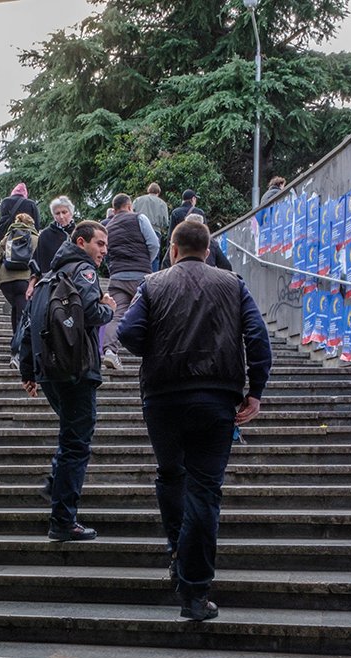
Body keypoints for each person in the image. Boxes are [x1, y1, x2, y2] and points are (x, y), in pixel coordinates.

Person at [117, 219, 273, 621]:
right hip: (217, 399)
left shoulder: (152, 285)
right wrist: (254, 392)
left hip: (163, 397)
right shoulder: (233, 284)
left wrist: (159, 346)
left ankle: (177, 552)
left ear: (171, 249)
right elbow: (258, 338)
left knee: (171, 475)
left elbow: (129, 332)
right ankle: (195, 594)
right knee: (205, 489)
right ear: (207, 251)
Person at [18, 221, 117, 542]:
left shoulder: (47, 277)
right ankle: (63, 519)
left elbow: (28, 323)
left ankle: (54, 483)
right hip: (77, 368)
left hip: (51, 371)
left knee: (70, 436)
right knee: (77, 443)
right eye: (99, 244)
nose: (104, 250)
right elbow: (91, 312)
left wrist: (29, 371)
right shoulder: (84, 272)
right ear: (81, 241)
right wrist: (109, 308)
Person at [101, 193, 159, 370]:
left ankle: (109, 351)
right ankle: (157, 354)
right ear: (129, 206)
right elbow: (154, 243)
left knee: (116, 315)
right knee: (151, 314)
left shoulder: (108, 226)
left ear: (115, 208)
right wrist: (145, 261)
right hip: (140, 275)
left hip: (118, 277)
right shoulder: (139, 218)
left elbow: (105, 253)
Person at [0, 212, 39, 369]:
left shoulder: (7, 237)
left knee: (17, 310)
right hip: (25, 280)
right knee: (23, 315)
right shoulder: (36, 238)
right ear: (32, 224)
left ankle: (17, 347)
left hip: (6, 281)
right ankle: (17, 353)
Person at [31, 196, 77, 292]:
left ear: (71, 213)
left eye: (64, 212)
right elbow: (37, 261)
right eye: (57, 213)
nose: (61, 216)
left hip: (75, 281)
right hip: (51, 284)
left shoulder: (79, 232)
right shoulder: (46, 235)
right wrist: (31, 285)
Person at [132, 182, 170, 270]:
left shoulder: (138, 200)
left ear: (148, 190)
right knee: (155, 257)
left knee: (140, 254)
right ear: (158, 192)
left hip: (140, 229)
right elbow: (165, 222)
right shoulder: (162, 204)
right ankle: (152, 276)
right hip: (155, 230)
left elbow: (132, 214)